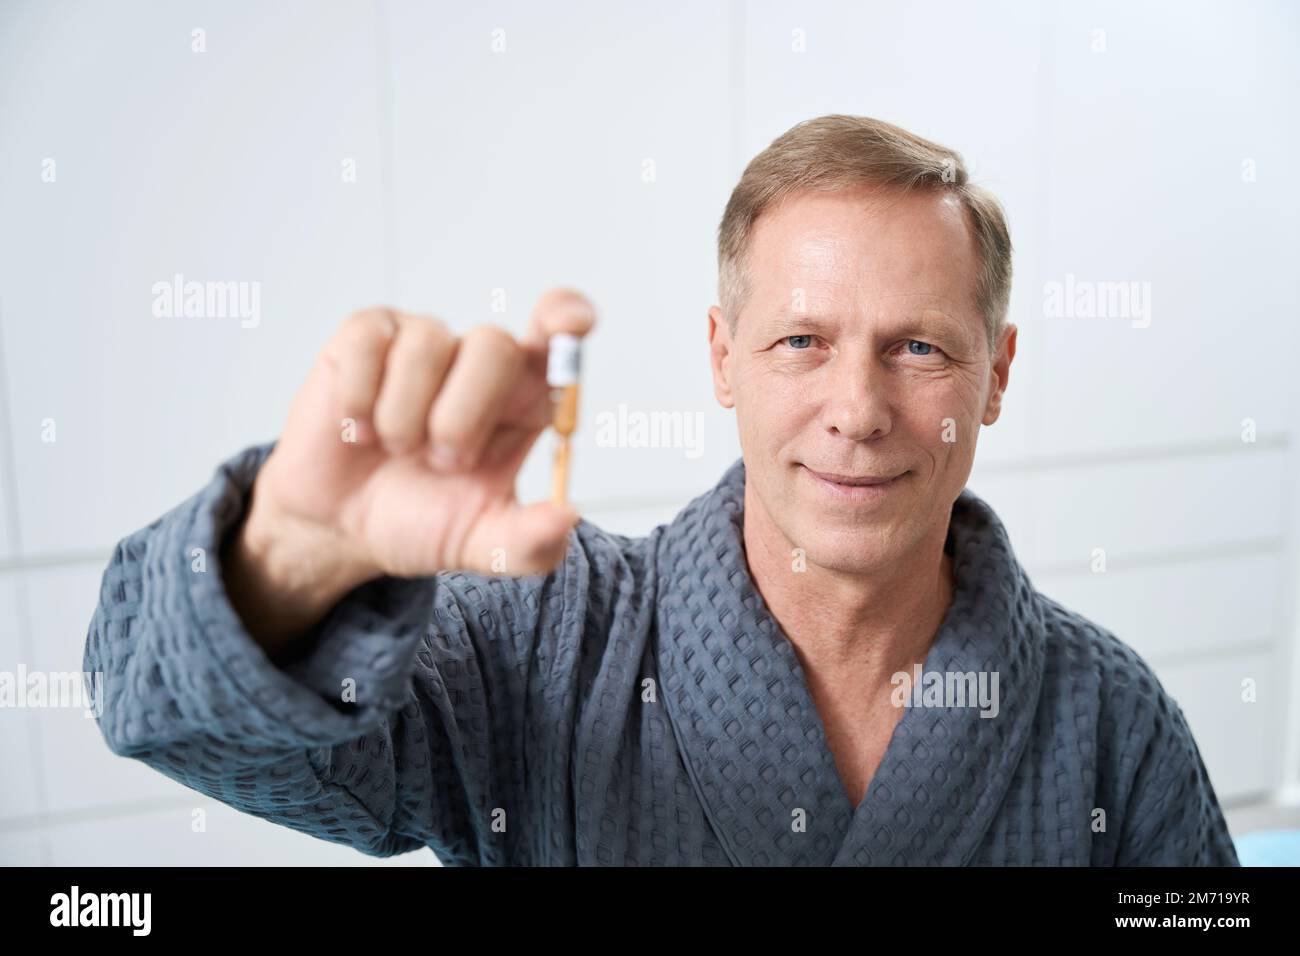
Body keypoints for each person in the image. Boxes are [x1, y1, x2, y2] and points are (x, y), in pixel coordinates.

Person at [84, 114, 1239, 866]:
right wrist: (291, 558)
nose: (857, 407)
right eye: (798, 340)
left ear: (996, 374)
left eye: (920, 349)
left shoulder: (1113, 728)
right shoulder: (542, 645)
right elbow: (164, 714)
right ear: (718, 354)